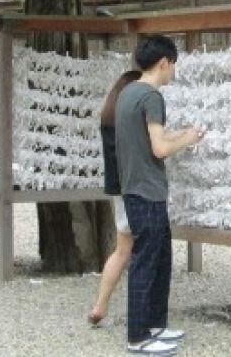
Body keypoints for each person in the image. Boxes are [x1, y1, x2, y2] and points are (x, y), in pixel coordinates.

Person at [116, 35, 204, 355]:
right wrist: (186, 140)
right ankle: (138, 337)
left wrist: (184, 135)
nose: (174, 72)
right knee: (146, 262)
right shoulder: (152, 97)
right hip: (147, 190)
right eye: (173, 65)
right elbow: (160, 147)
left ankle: (155, 326)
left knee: (161, 259)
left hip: (134, 186)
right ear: (164, 63)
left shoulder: (128, 92)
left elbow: (150, 139)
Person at [88, 69, 142, 327]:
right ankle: (141, 313)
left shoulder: (108, 116)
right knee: (141, 251)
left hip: (116, 189)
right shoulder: (130, 117)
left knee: (122, 251)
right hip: (134, 188)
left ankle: (100, 305)